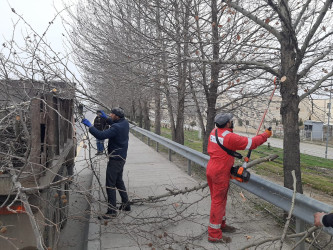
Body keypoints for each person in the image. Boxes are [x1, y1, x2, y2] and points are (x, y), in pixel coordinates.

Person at [206, 113, 272, 243]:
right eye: (231, 121)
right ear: (227, 124)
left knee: (219, 199)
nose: (232, 122)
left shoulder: (214, 131)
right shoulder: (229, 137)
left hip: (212, 168)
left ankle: (221, 224)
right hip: (220, 172)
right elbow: (251, 143)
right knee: (218, 201)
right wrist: (265, 135)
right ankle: (214, 234)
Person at [82, 107, 131, 219]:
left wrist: (90, 126)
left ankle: (112, 211)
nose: (109, 114)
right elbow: (114, 123)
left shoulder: (116, 127)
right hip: (122, 157)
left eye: (111, 114)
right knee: (118, 181)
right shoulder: (124, 123)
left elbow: (101, 135)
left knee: (110, 184)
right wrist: (106, 118)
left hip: (115, 158)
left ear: (117, 116)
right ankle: (126, 204)